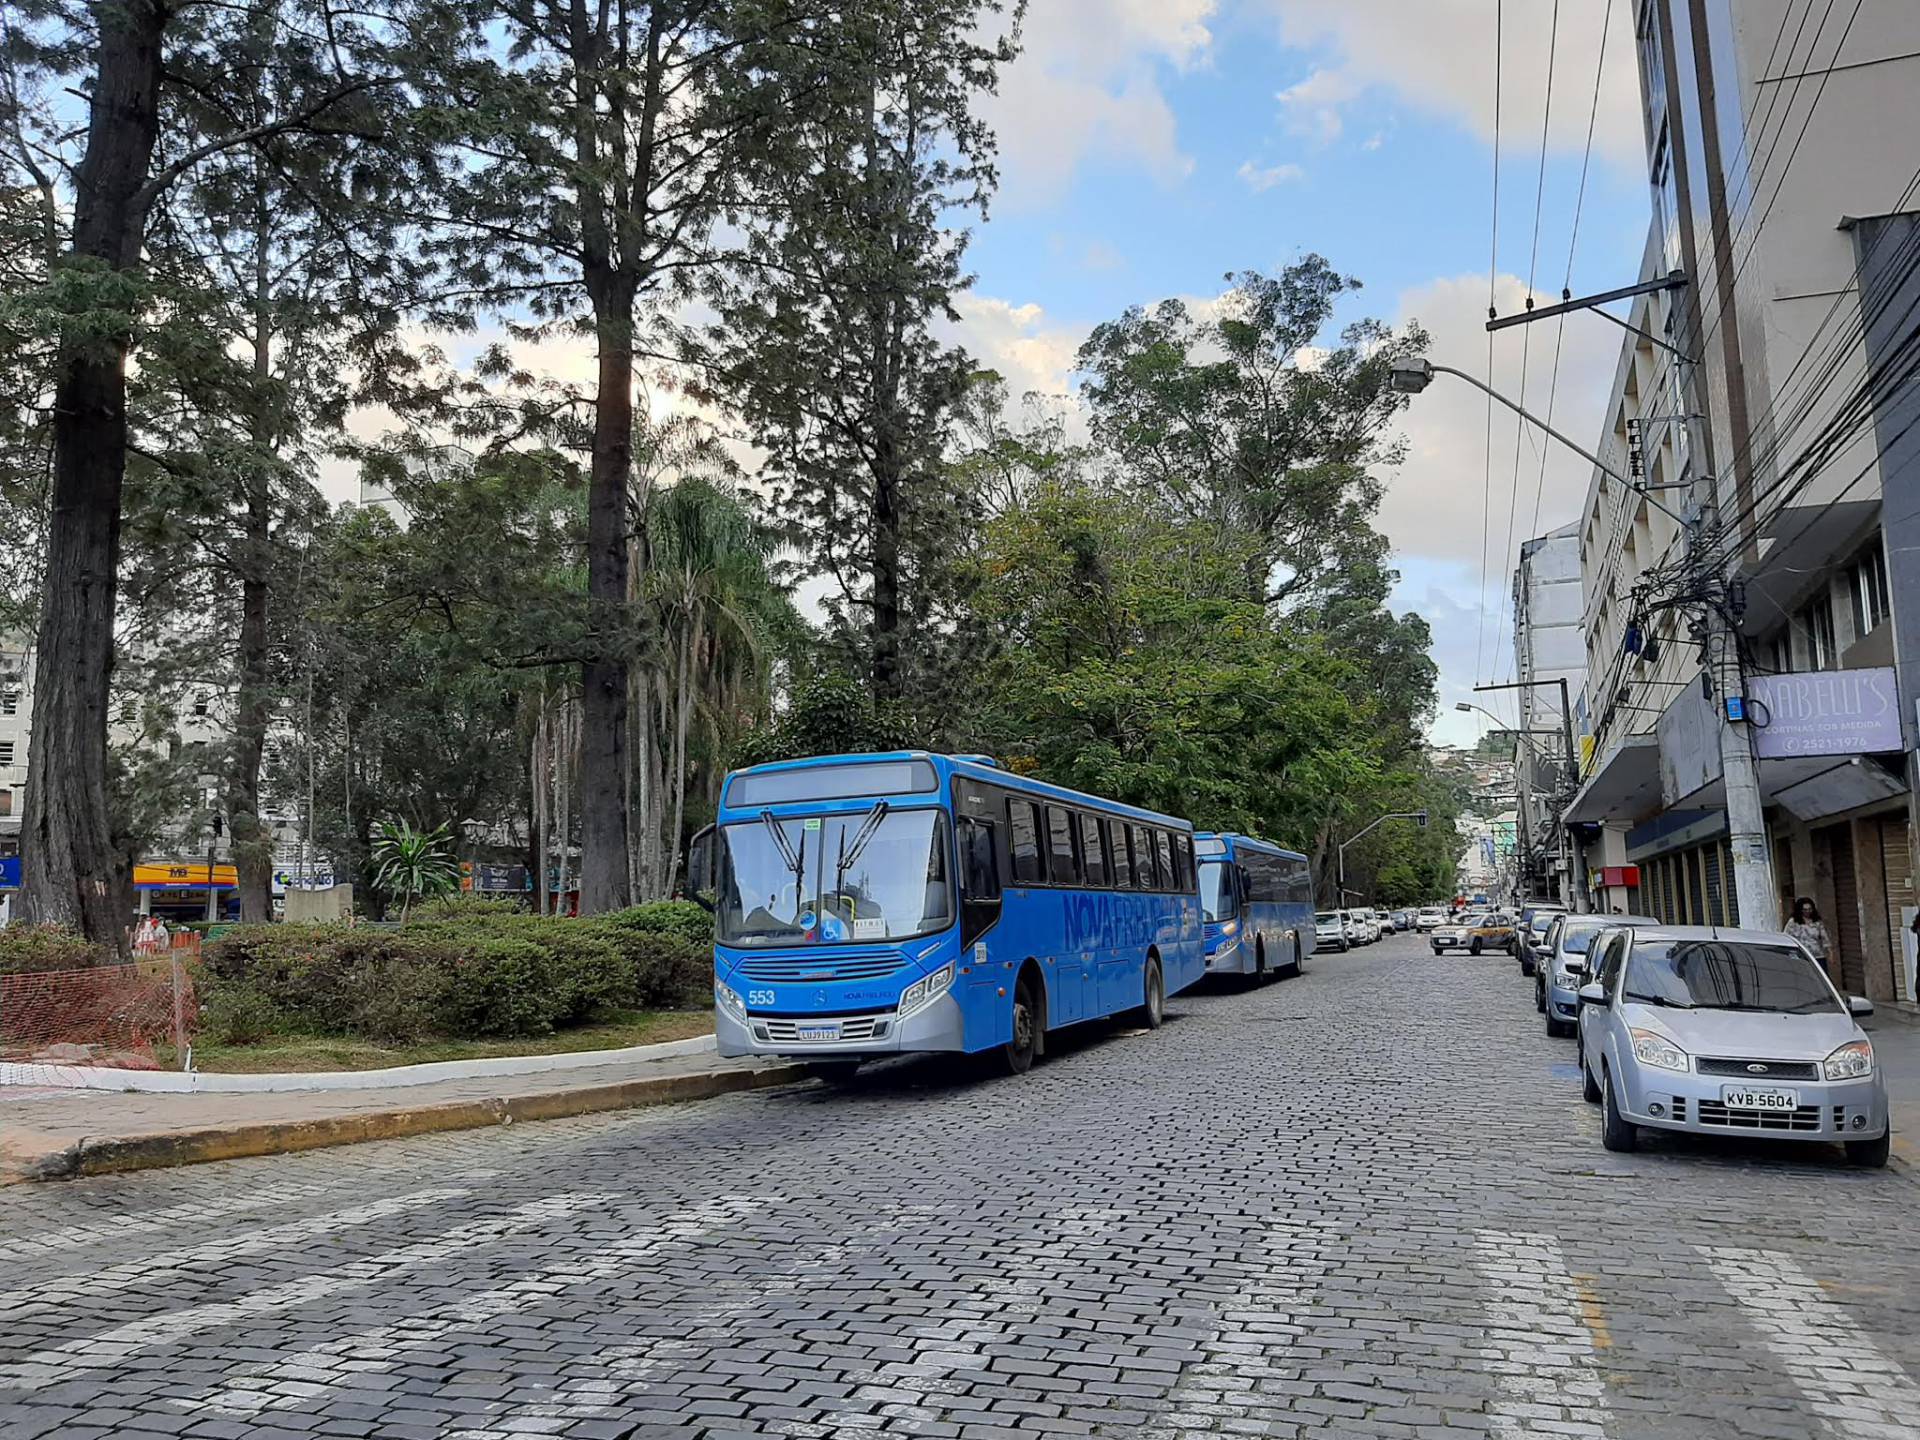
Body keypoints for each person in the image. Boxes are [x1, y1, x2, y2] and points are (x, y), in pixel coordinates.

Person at [1785, 897, 1832, 977]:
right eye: (1805, 909)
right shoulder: (1793, 922)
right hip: (1801, 956)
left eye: (1810, 909)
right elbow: (1787, 937)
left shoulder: (1817, 922)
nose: (1807, 912)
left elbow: (1824, 937)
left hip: (1818, 956)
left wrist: (1830, 952)